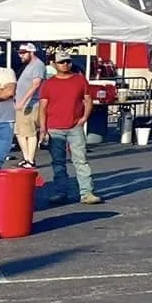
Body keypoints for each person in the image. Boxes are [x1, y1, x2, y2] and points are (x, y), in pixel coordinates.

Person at [39, 53, 101, 205]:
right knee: (58, 162)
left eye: (68, 61)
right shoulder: (48, 84)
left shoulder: (80, 80)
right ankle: (61, 192)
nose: (65, 64)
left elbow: (88, 100)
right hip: (54, 128)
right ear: (54, 64)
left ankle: (86, 193)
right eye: (62, 62)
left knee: (81, 160)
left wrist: (84, 118)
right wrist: (43, 128)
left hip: (75, 126)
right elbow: (42, 107)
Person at [14, 43, 46, 169]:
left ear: (31, 52)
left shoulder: (38, 65)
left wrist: (24, 101)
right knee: (20, 132)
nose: (20, 55)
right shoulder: (28, 66)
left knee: (29, 132)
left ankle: (30, 159)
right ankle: (26, 157)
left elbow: (36, 84)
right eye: (19, 52)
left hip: (30, 104)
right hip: (22, 104)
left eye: (23, 52)